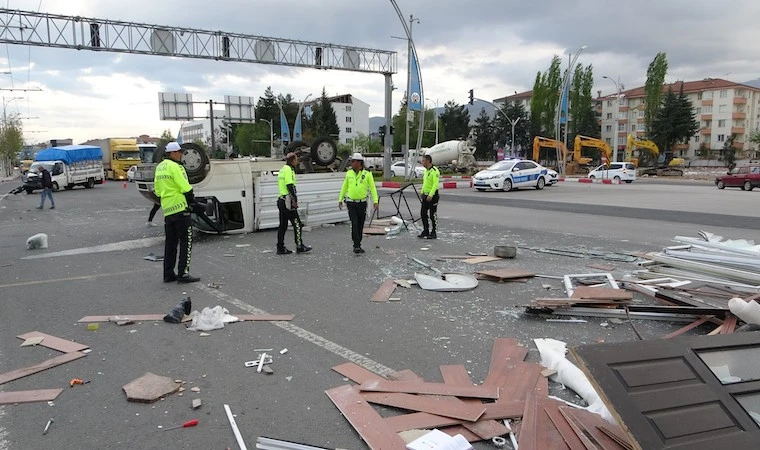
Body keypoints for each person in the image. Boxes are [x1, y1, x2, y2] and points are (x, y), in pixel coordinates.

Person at [153, 142, 200, 283]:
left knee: (170, 244)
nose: (181, 155)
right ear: (173, 153)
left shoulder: (160, 167)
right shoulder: (176, 167)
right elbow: (185, 187)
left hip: (167, 210)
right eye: (180, 152)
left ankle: (168, 274)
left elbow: (157, 190)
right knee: (186, 241)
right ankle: (183, 273)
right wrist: (192, 201)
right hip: (180, 208)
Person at [338, 152, 379, 254]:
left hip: (362, 203)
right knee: (354, 223)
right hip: (351, 202)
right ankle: (356, 245)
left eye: (353, 161)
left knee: (360, 224)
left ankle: (358, 243)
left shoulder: (367, 174)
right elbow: (345, 186)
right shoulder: (349, 173)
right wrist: (340, 199)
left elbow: (372, 187)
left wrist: (375, 201)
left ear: (359, 163)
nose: (351, 163)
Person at [276, 152, 312, 255]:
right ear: (292, 160)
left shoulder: (282, 169)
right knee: (297, 224)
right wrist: (294, 200)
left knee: (282, 225)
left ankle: (280, 247)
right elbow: (290, 185)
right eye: (296, 159)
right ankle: (299, 246)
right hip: (287, 200)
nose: (297, 161)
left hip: (281, 200)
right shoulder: (289, 170)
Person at [418, 154, 440, 239]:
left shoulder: (435, 171)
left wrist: (431, 195)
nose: (422, 162)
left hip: (433, 196)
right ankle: (425, 230)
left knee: (432, 214)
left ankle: (434, 232)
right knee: (423, 213)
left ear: (428, 161)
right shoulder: (426, 171)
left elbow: (435, 184)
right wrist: (422, 192)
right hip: (425, 195)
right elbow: (425, 183)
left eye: (423, 160)